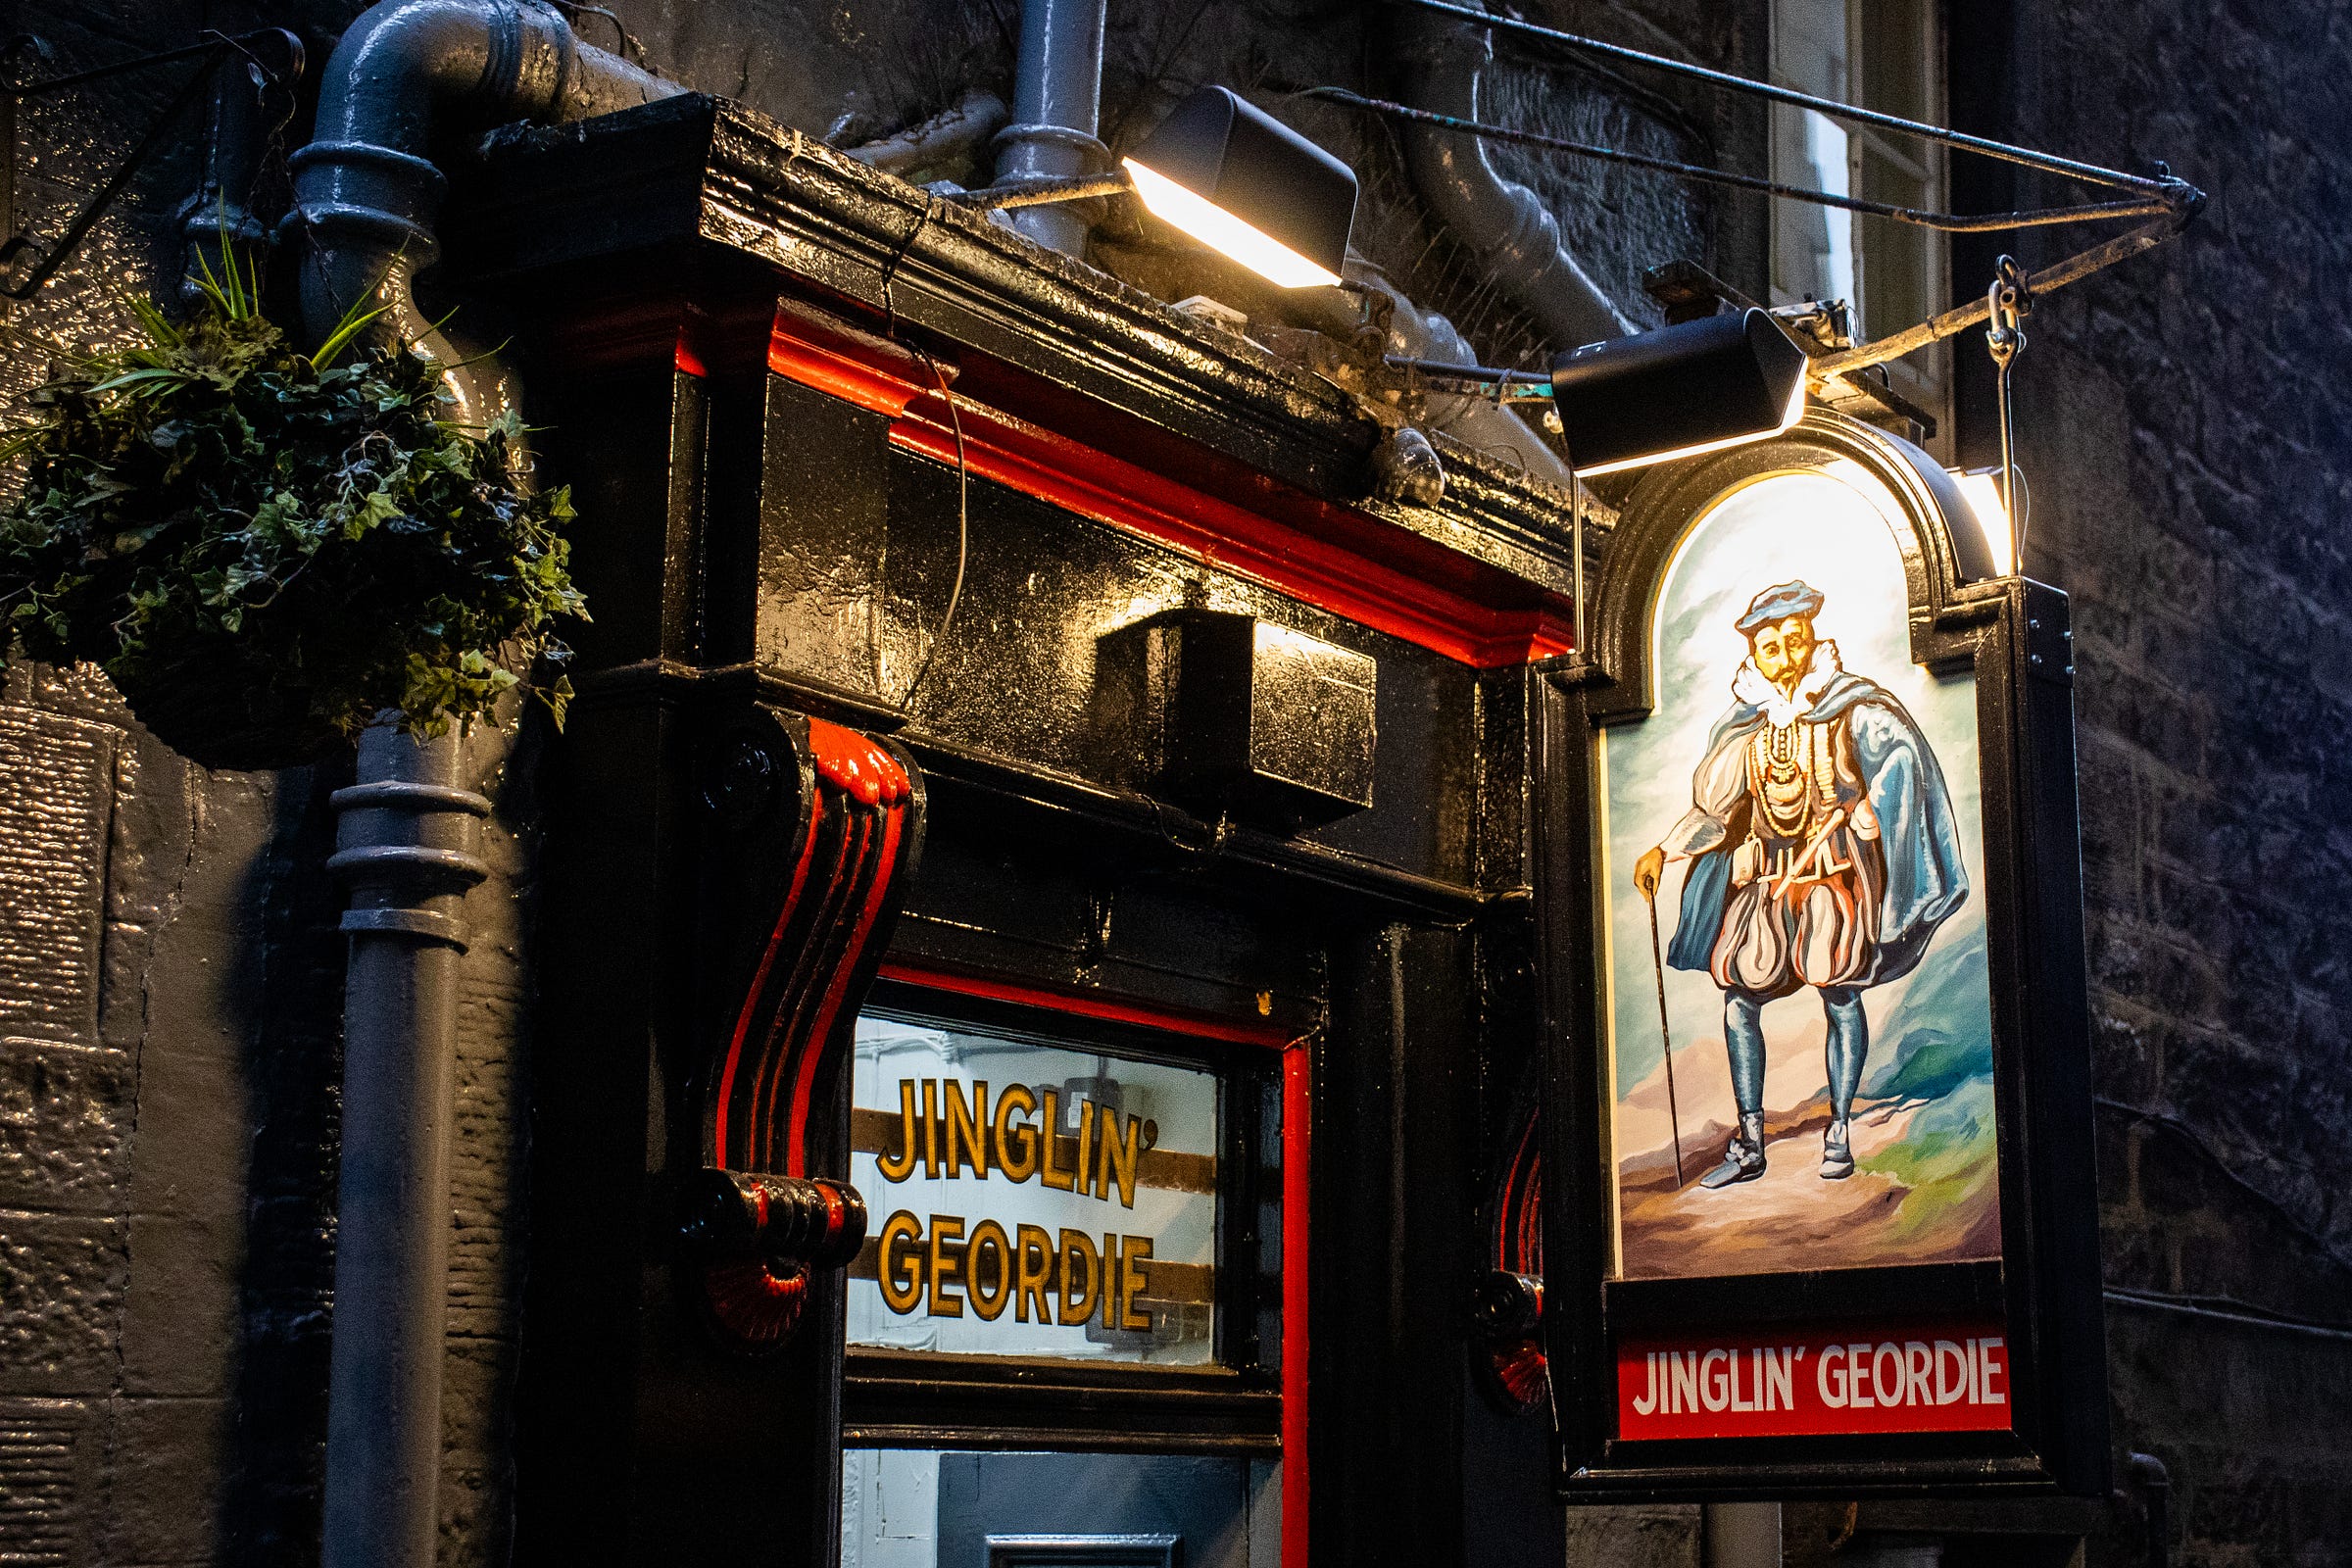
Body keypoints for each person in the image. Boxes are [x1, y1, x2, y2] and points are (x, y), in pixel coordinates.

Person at [1633, 580, 1968, 1187]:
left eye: (1793, 642)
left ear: (1811, 640)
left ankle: (1839, 1130)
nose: (1784, 658)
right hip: (1764, 883)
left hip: (1831, 879)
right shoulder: (1746, 734)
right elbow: (1714, 815)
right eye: (1769, 647)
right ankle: (1751, 1140)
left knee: (1839, 993)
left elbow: (1900, 765)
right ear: (1754, 658)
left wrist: (1873, 803)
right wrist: (1665, 850)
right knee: (1739, 1001)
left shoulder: (1852, 711)